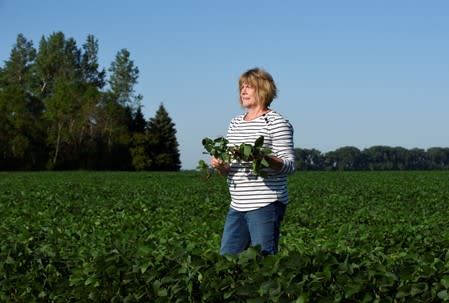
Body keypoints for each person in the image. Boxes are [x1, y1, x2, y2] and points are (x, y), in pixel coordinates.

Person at [211, 67, 295, 256]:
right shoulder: (235, 123)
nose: (243, 91)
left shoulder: (276, 122)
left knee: (264, 260)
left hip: (265, 203)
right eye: (241, 87)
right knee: (227, 259)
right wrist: (220, 166)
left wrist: (260, 158)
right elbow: (230, 167)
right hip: (237, 203)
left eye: (249, 87)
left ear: (263, 89)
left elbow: (289, 165)